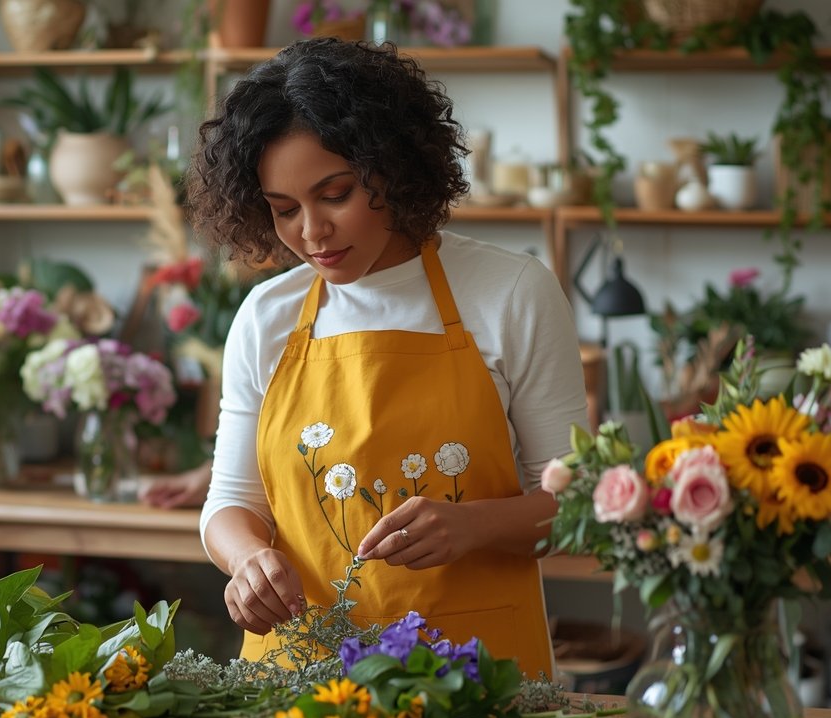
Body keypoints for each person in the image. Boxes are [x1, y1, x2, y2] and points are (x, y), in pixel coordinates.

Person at [186, 38, 587, 677]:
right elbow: (231, 503)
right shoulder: (267, 316)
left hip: (471, 681)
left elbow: (582, 507)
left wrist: (473, 525)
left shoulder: (511, 292)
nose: (311, 233)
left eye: (335, 194)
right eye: (284, 210)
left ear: (392, 169)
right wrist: (246, 562)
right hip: (302, 674)